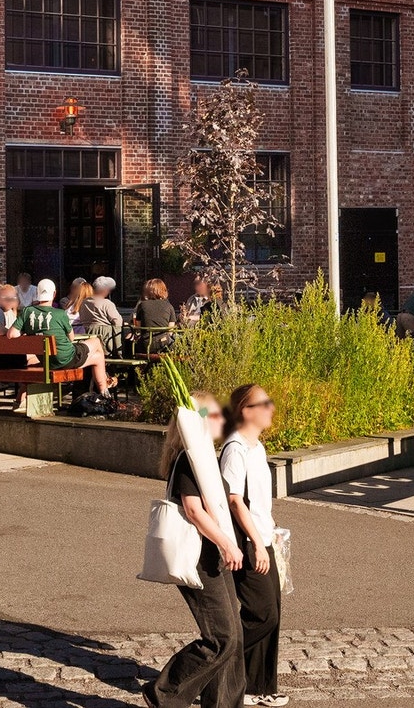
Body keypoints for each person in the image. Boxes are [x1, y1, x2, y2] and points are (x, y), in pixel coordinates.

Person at [146, 393, 244, 708]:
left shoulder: (203, 457)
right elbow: (193, 510)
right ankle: (163, 693)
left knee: (234, 637)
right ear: (199, 421)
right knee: (221, 638)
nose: (222, 420)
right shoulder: (189, 458)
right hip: (201, 558)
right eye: (214, 415)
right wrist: (226, 542)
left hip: (214, 556)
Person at [220, 385, 285, 708]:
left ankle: (258, 687)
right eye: (265, 403)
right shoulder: (235, 449)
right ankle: (217, 670)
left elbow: (256, 500)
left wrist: (271, 533)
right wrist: (257, 544)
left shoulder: (255, 447)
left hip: (264, 537)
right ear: (246, 410)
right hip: (248, 543)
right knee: (262, 615)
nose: (271, 407)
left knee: (272, 612)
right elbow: (234, 500)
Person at [13, 279, 111, 397]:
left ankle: (104, 389)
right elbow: (71, 338)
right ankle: (105, 393)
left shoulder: (26, 312)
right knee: (96, 342)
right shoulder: (60, 313)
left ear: (37, 294)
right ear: (54, 294)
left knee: (98, 356)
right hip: (65, 359)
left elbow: (11, 334)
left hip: (46, 360)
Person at [133, 278, 178, 355]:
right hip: (164, 343)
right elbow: (170, 331)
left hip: (145, 344)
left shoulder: (142, 305)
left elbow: (138, 327)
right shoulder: (169, 306)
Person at [81, 276, 126, 353]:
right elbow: (118, 322)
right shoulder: (107, 303)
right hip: (104, 339)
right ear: (105, 290)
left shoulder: (84, 302)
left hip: (87, 337)